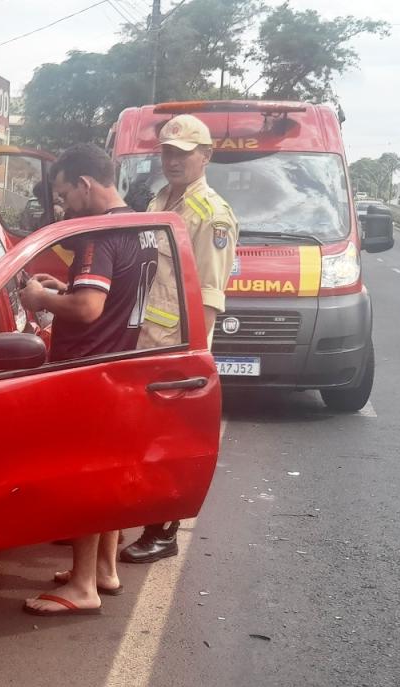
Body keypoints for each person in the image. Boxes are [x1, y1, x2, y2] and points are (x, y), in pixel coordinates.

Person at [17, 144, 159, 617]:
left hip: (88, 369)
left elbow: (89, 308)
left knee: (84, 479)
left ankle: (81, 587)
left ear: (85, 184)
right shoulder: (138, 228)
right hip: (120, 364)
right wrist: (68, 288)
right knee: (107, 473)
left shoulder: (96, 236)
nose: (63, 206)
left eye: (63, 195)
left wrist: (41, 297)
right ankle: (104, 569)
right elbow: (107, 296)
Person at [119, 113, 238, 565]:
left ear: (205, 156)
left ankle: (162, 531)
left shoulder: (212, 216)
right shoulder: (158, 200)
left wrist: (192, 360)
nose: (173, 160)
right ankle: (131, 516)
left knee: (167, 441)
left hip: (174, 347)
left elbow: (209, 294)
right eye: (168, 152)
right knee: (139, 436)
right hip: (142, 339)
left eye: (183, 154)